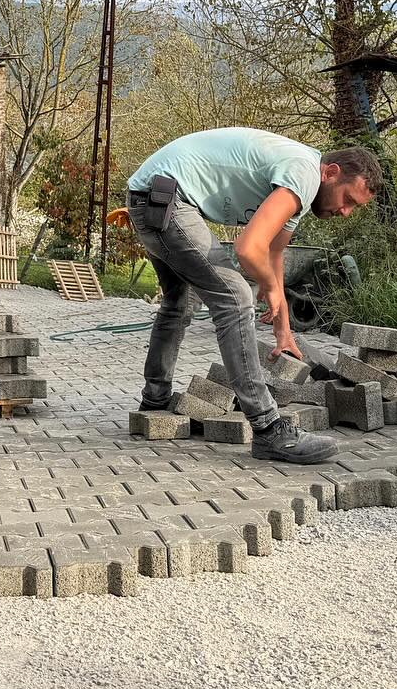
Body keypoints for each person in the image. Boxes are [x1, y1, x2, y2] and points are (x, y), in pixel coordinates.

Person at [125, 127, 382, 464]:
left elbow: (274, 255)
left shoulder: (299, 180)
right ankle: (268, 429)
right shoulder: (304, 173)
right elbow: (249, 249)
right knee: (235, 296)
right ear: (331, 173)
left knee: (178, 303)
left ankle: (155, 400)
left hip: (150, 196)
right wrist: (270, 287)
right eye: (348, 199)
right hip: (165, 201)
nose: (345, 211)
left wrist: (284, 330)